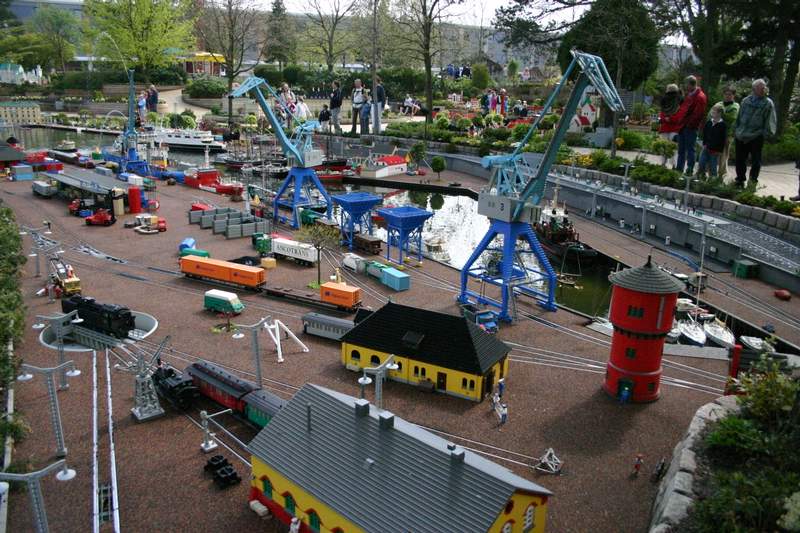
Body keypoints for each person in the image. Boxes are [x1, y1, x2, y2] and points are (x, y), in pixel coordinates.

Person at [734, 78, 776, 188]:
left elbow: (770, 121)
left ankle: (752, 182)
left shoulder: (768, 103)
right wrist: (736, 131)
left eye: (764, 87)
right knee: (739, 160)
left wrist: (765, 134)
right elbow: (739, 117)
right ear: (754, 89)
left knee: (756, 161)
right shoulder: (746, 101)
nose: (763, 89)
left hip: (756, 136)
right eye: (761, 88)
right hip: (741, 135)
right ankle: (739, 180)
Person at [673, 75, 707, 176]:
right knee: (681, 150)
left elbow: (698, 114)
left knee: (690, 149)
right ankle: (679, 169)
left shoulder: (700, 96)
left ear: (691, 84)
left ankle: (689, 170)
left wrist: (689, 125)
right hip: (683, 126)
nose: (685, 86)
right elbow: (683, 109)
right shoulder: (690, 94)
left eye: (686, 84)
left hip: (690, 127)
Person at [715, 86, 739, 179]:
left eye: (730, 94)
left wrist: (721, 113)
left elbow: (732, 118)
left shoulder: (735, 106)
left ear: (733, 96)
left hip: (727, 134)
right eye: (726, 94)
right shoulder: (719, 104)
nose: (727, 96)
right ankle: (711, 173)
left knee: (723, 155)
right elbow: (711, 115)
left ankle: (721, 175)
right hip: (715, 133)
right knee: (712, 154)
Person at [696, 104, 726, 179]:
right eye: (712, 111)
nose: (712, 112)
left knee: (713, 165)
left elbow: (722, 139)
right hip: (706, 147)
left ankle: (713, 179)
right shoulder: (709, 122)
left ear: (719, 113)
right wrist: (704, 144)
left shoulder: (722, 125)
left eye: (714, 111)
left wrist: (720, 150)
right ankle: (701, 177)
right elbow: (705, 134)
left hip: (715, 150)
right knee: (701, 162)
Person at [658, 84, 683, 166]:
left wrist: (668, 119)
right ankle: (669, 164)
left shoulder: (679, 101)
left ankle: (669, 164)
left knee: (668, 147)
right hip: (669, 128)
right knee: (670, 147)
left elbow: (679, 115)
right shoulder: (675, 100)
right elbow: (662, 112)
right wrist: (666, 119)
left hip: (672, 128)